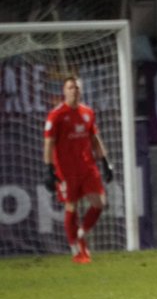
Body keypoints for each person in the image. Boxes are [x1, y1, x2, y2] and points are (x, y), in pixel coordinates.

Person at [43, 77, 115, 263]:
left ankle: (81, 233)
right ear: (64, 91)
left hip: (87, 166)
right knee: (71, 206)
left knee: (100, 202)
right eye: (70, 87)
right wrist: (49, 168)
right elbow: (49, 143)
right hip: (66, 170)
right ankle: (75, 249)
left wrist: (105, 161)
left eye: (76, 87)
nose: (74, 90)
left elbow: (95, 138)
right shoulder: (56, 115)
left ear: (81, 91)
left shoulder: (88, 112)